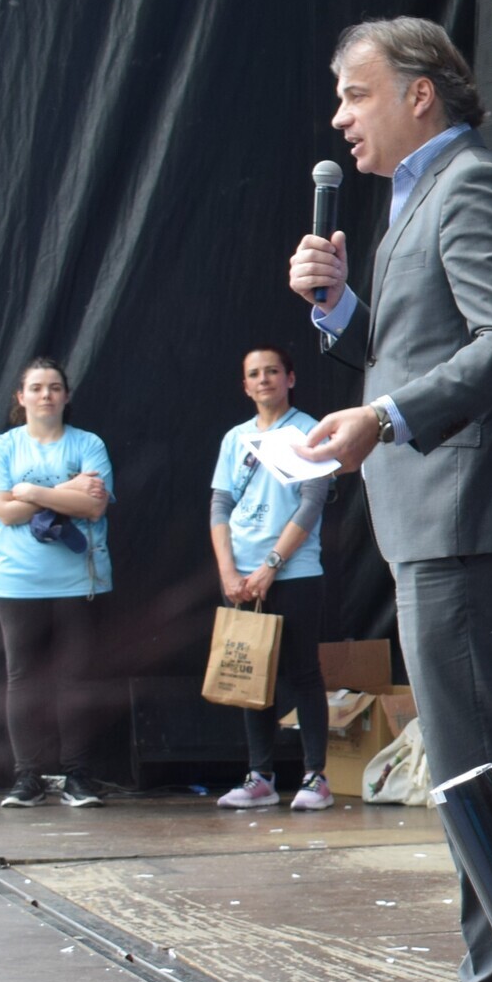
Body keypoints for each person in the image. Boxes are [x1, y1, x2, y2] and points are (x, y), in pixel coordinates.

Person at [286, 16, 492, 982]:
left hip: (468, 516)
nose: (339, 118)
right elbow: (411, 345)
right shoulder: (419, 197)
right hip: (441, 517)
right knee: (466, 766)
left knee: (473, 770)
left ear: (419, 93)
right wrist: (340, 308)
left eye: (354, 94)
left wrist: (386, 416)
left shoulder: (472, 187)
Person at [0, 357, 112, 810]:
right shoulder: (1, 448)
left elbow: (94, 507)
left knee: (76, 678)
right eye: (36, 387)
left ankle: (78, 776)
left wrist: (31, 492)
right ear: (21, 397)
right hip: (17, 580)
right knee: (23, 678)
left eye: (54, 387)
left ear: (66, 396)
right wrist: (69, 490)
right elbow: (4, 511)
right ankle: (27, 778)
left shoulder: (88, 444)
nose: (46, 395)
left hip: (79, 580)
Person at [211, 345, 336, 813]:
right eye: (254, 374)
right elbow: (220, 504)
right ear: (245, 386)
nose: (263, 379)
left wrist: (272, 565)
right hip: (242, 577)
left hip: (295, 572)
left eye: (272, 371)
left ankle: (315, 776)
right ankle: (260, 776)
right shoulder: (235, 438)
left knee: (303, 673)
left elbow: (311, 502)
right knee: (251, 673)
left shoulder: (309, 431)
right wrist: (228, 570)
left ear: (290, 378)